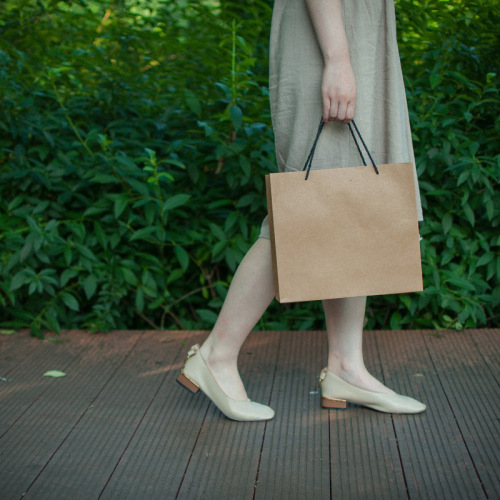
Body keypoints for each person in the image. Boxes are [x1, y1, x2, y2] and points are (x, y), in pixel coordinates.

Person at [177, 0, 426, 421]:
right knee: (308, 209)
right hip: (328, 36)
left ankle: (347, 367)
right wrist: (338, 58)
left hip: (358, 36)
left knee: (352, 198)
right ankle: (216, 356)